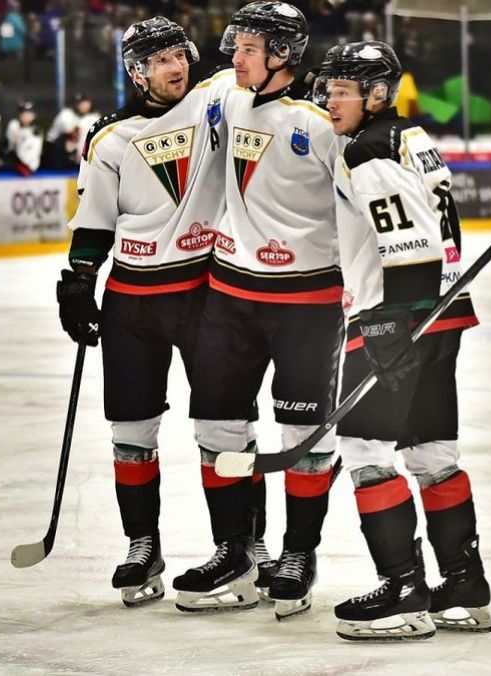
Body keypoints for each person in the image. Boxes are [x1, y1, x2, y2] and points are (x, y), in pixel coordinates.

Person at [312, 40, 488, 641]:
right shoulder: (410, 136)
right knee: (432, 454)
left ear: (377, 94)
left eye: (342, 90)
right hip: (444, 313)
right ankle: (463, 584)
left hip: (397, 316)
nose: (329, 100)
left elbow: (409, 242)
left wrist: (389, 328)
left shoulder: (368, 149)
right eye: (328, 88)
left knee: (365, 453)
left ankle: (403, 593)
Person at [56, 16, 233, 610]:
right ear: (136, 72)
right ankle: (143, 544)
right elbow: (95, 219)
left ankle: (241, 545)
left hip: (208, 292)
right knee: (131, 434)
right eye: (157, 59)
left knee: (224, 428)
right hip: (133, 299)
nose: (173, 65)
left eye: (178, 54)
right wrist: (80, 283)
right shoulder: (109, 137)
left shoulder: (218, 100)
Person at [183, 1, 346, 620]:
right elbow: (165, 109)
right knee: (216, 428)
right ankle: (236, 552)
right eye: (236, 45)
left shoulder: (322, 123)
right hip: (229, 295)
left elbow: (359, 208)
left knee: (303, 436)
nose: (235, 57)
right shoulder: (225, 93)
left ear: (283, 55)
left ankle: (298, 554)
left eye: (249, 48)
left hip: (307, 302)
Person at [3, 100, 42, 175]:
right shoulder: (14, 125)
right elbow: (10, 147)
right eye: (23, 114)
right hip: (15, 164)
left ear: (33, 115)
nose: (26, 116)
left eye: (29, 113)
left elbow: (34, 153)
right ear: (19, 115)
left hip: (30, 167)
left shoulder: (37, 130)